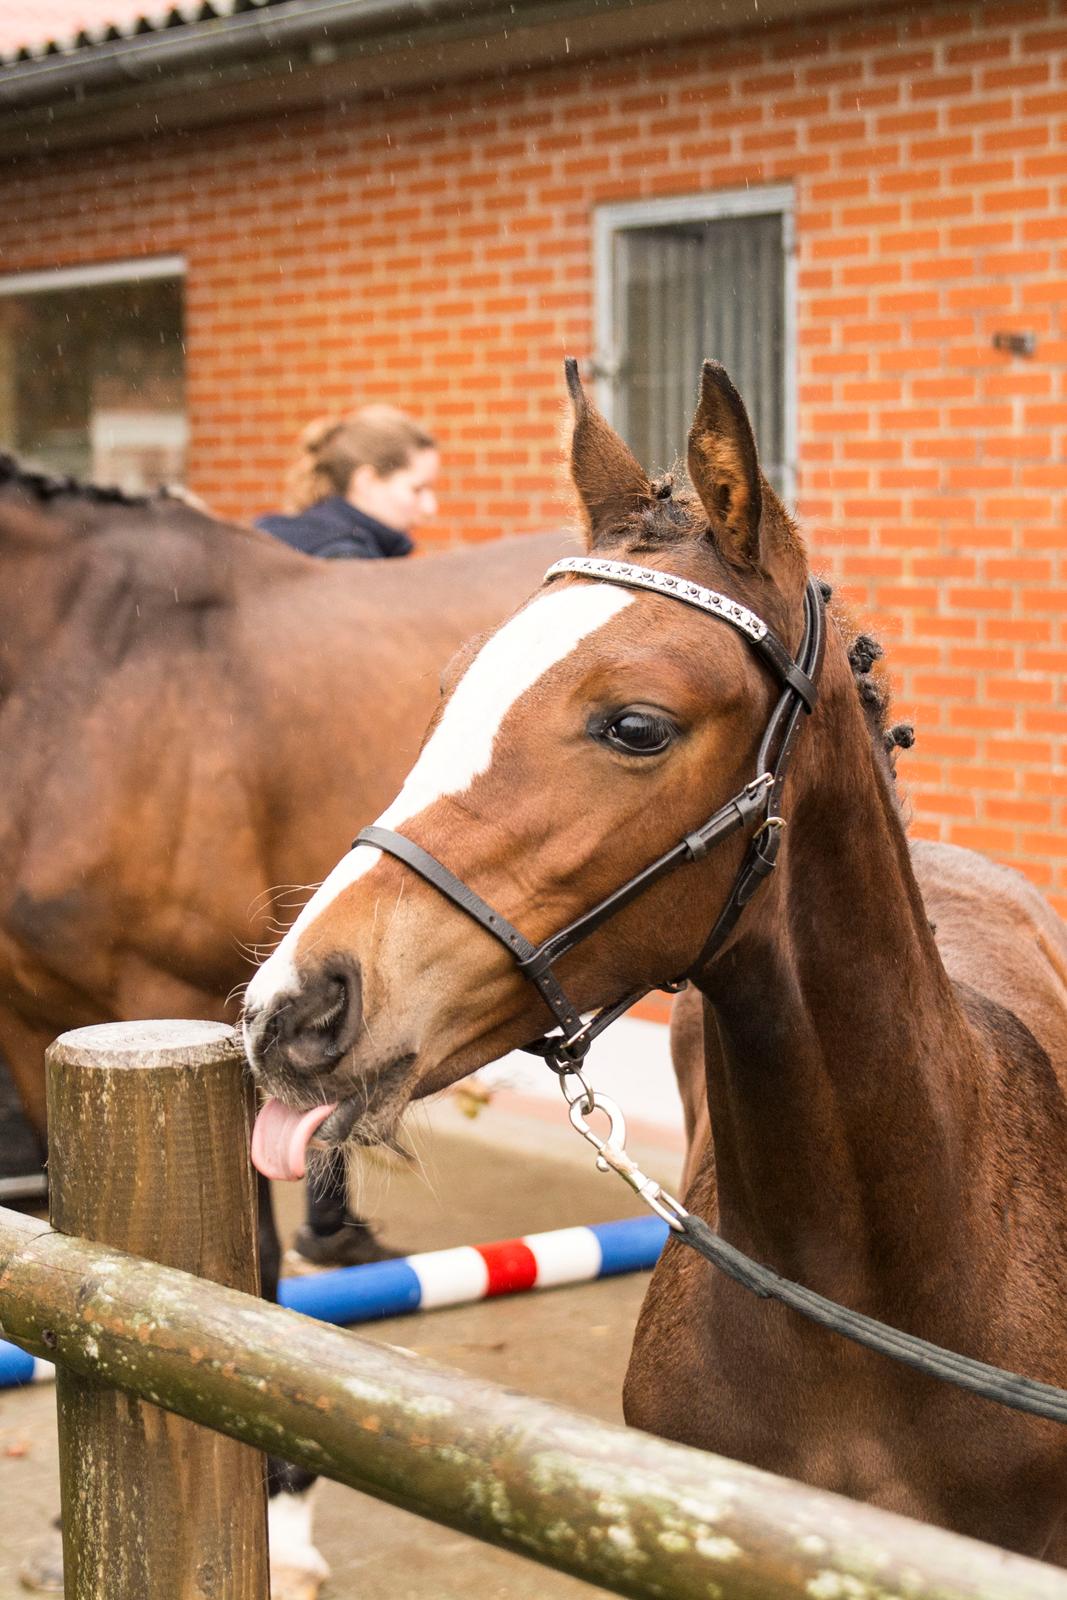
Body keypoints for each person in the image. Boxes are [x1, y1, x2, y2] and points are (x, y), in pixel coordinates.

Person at [256, 404, 439, 1268]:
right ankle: (326, 1225)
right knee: (333, 1017)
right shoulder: (346, 575)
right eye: (416, 487)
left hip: (275, 812)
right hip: (317, 826)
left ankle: (325, 1222)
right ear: (366, 483)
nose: (426, 508)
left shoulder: (281, 547)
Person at [255, 404, 439, 559]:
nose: (430, 508)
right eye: (417, 489)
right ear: (367, 482)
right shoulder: (347, 560)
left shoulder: (298, 541)